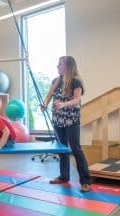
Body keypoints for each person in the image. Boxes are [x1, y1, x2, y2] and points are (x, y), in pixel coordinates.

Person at [41, 56, 91, 192]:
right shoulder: (56, 81)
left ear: (68, 66)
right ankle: (64, 176)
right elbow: (49, 95)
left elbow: (77, 100)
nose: (57, 66)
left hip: (71, 119)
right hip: (58, 119)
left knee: (75, 149)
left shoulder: (76, 82)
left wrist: (63, 104)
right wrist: (45, 104)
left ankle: (85, 181)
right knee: (62, 148)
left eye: (60, 64)